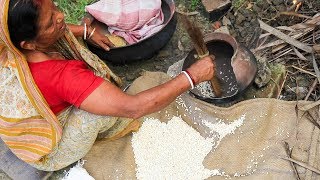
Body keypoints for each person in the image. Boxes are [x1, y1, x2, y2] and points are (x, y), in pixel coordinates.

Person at [0, 0, 214, 173]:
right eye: (49, 23)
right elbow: (134, 107)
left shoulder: (8, 38)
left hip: (28, 128)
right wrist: (192, 76)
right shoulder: (62, 77)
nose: (60, 15)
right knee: (99, 113)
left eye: (55, 6)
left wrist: (87, 31)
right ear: (28, 45)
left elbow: (58, 28)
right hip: (48, 152)